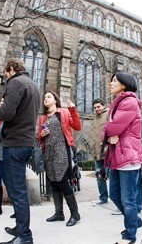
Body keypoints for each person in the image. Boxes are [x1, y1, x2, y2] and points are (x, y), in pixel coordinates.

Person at [0, 58, 40, 244]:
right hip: (26, 142)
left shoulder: (15, 82)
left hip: (14, 143)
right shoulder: (33, 85)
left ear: (11, 69)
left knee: (17, 191)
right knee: (18, 189)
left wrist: (0, 108)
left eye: (5, 73)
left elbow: (6, 114)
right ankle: (20, 227)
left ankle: (24, 236)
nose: (5, 77)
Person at [103, 72, 142, 244]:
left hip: (128, 155)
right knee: (114, 194)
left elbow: (113, 127)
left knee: (128, 199)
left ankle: (130, 235)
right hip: (118, 155)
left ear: (124, 85)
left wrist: (108, 133)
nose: (111, 84)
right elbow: (112, 130)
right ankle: (134, 220)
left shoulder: (129, 102)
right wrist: (109, 136)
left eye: (114, 81)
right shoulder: (117, 103)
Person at [37, 91, 82, 226]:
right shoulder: (43, 118)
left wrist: (72, 110)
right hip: (48, 153)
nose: (46, 98)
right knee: (54, 184)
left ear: (55, 100)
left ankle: (75, 214)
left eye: (49, 97)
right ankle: (59, 213)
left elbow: (77, 126)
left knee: (63, 182)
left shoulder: (63, 112)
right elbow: (38, 137)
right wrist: (41, 134)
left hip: (61, 151)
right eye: (44, 97)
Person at [90, 98, 109, 206]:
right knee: (99, 177)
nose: (97, 109)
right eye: (95, 107)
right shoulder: (94, 119)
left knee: (114, 178)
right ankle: (103, 198)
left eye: (98, 107)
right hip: (97, 153)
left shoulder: (108, 115)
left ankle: (119, 200)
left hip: (108, 153)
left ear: (103, 106)